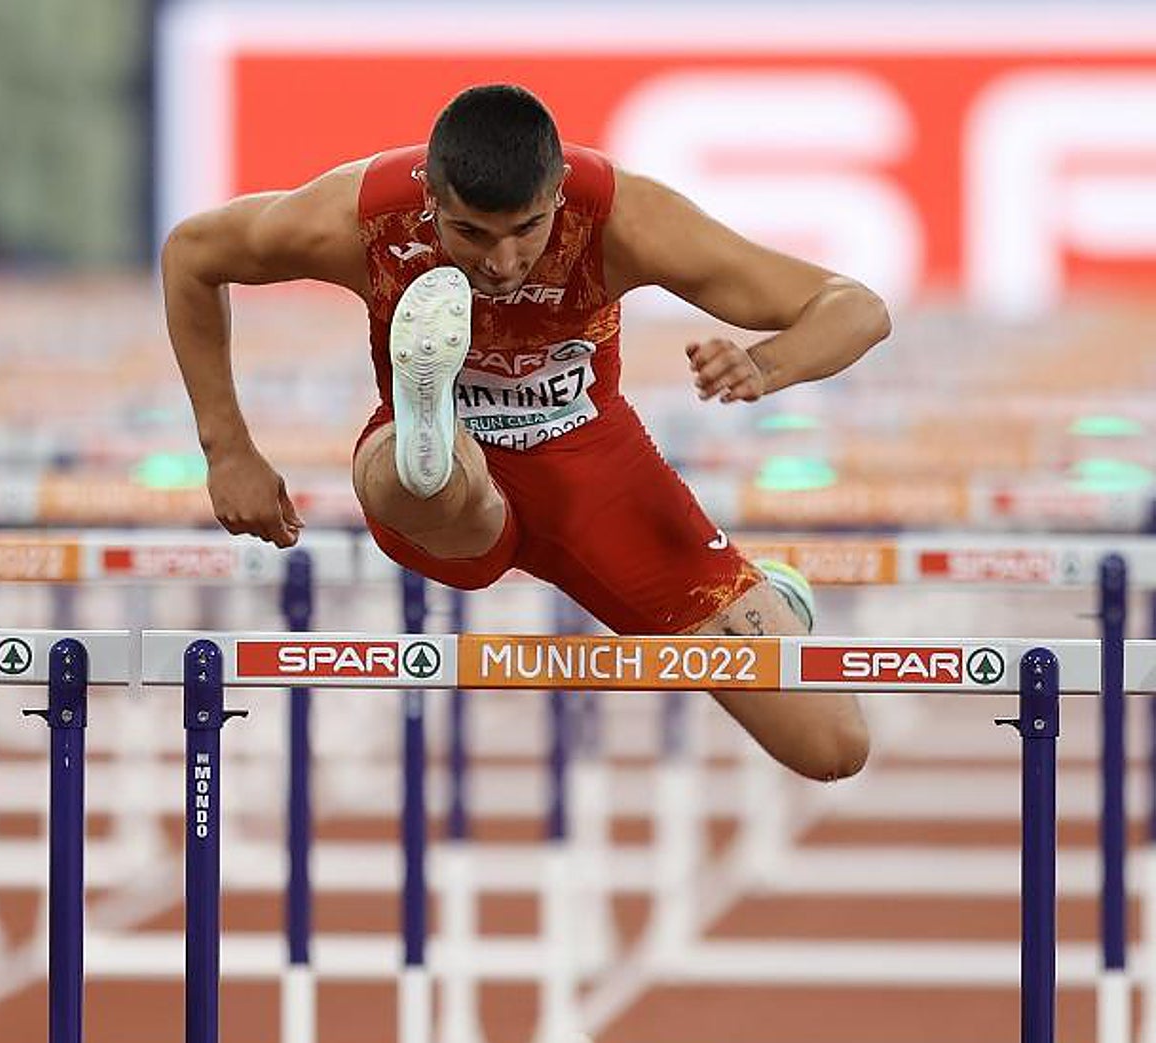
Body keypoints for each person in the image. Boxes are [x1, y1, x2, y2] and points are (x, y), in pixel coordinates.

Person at [162, 83, 889, 781]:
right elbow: (194, 253)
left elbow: (854, 307)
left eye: (526, 231)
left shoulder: (624, 217)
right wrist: (228, 450)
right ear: (429, 196)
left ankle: (773, 599)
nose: (501, 263)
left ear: (559, 191)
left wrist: (765, 363)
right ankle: (430, 427)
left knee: (831, 744)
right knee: (432, 477)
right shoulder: (360, 217)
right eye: (470, 233)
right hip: (453, 487)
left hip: (599, 474)